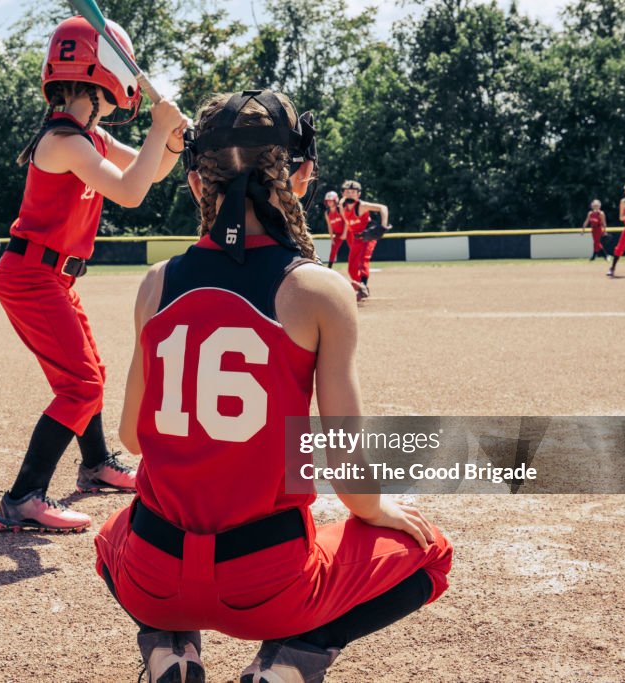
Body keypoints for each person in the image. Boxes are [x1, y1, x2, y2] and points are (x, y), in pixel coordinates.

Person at [95, 90, 452, 683]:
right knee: (430, 552)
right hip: (268, 584)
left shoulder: (156, 284)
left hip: (155, 575)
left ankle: (169, 646)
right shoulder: (317, 290)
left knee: (112, 538)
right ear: (303, 175)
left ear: (193, 183)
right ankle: (288, 663)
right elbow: (350, 473)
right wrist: (377, 509)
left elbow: (132, 437)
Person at [0, 16, 188, 533]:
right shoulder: (62, 141)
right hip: (31, 275)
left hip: (53, 277)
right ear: (107, 76)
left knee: (90, 376)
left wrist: (168, 141)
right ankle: (22, 497)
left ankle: (96, 465)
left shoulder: (90, 137)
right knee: (80, 385)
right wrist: (158, 127)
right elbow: (129, 191)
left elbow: (149, 172)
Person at [340, 180, 389, 301]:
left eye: (353, 192)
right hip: (356, 237)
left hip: (367, 236)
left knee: (363, 260)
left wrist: (383, 225)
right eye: (347, 192)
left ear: (358, 194)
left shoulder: (361, 206)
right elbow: (347, 221)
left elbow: (383, 208)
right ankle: (359, 286)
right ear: (343, 194)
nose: (350, 194)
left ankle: (364, 287)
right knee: (352, 265)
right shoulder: (342, 206)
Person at [323, 191, 345, 268]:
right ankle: (329, 267)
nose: (329, 202)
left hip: (347, 232)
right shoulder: (327, 212)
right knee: (333, 250)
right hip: (338, 234)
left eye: (331, 200)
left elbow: (346, 221)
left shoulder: (340, 209)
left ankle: (358, 264)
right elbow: (329, 226)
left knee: (354, 247)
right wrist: (332, 237)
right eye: (327, 201)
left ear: (335, 200)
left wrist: (345, 233)